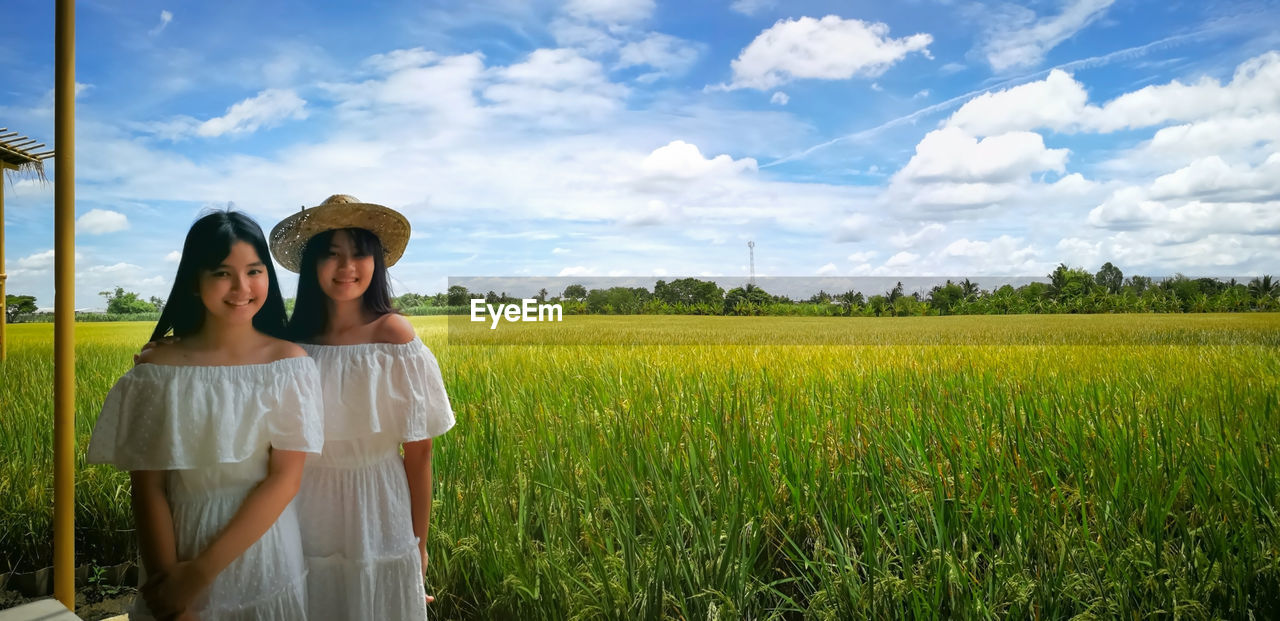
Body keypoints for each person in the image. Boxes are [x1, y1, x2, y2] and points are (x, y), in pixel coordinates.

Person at [88, 211, 324, 621]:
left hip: (263, 552)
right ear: (195, 282)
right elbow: (149, 490)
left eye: (254, 270)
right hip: (176, 546)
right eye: (222, 273)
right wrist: (172, 587)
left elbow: (285, 478)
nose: (241, 287)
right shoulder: (158, 372)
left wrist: (198, 574)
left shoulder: (290, 365)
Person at [269, 194, 455, 620]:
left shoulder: (393, 335)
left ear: (376, 264)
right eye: (332, 255)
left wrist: (419, 547)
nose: (347, 267)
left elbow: (420, 451)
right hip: (299, 503)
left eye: (359, 254)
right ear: (312, 265)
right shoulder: (290, 341)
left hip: (376, 505)